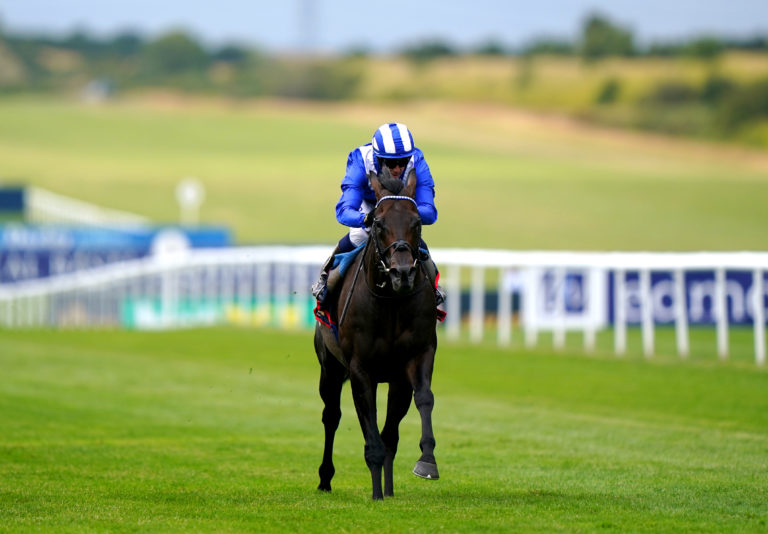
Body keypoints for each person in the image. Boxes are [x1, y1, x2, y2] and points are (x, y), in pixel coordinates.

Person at [312, 122, 446, 320]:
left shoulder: (417, 160)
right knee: (357, 236)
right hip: (371, 206)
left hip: (403, 210)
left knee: (411, 240)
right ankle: (326, 284)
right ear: (378, 157)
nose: (398, 168)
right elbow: (344, 210)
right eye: (391, 163)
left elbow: (429, 211)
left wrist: (404, 213)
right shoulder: (360, 159)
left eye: (403, 161)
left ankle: (434, 290)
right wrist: (366, 218)